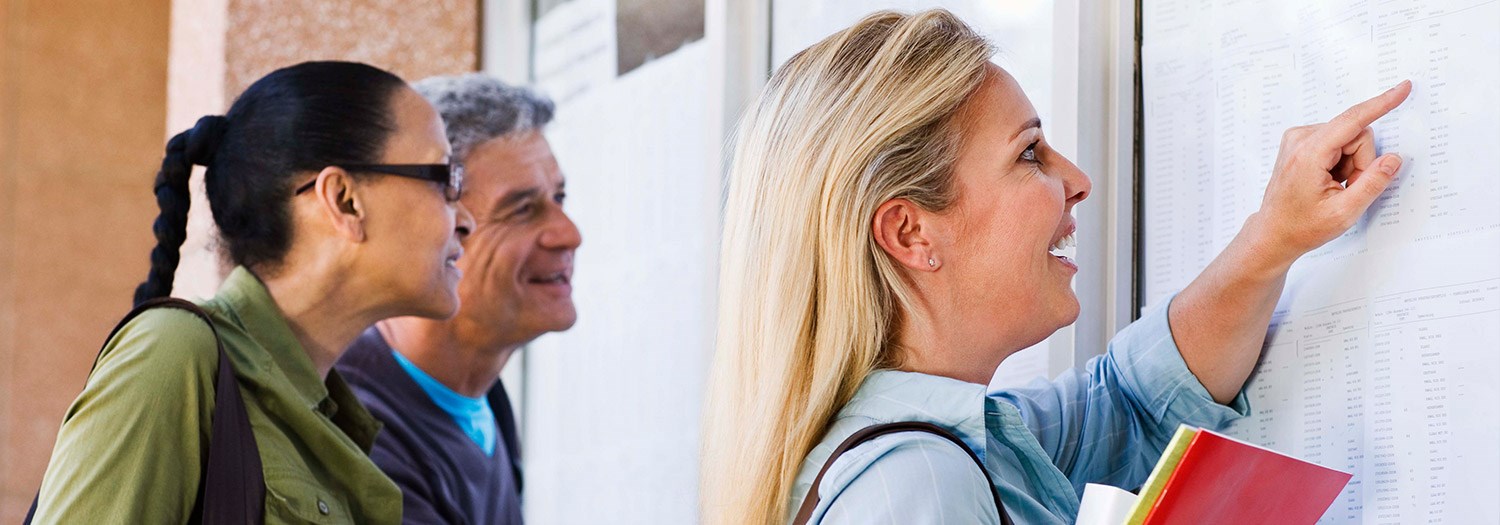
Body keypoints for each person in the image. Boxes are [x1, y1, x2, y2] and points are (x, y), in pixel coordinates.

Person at [699, 10, 1409, 525]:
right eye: (1029, 153)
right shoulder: (918, 485)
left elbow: (1133, 403)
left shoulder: (984, 442)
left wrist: (1274, 237)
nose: (1076, 178)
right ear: (910, 232)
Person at [31, 61, 475, 524]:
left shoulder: (330, 418)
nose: (466, 219)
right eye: (444, 180)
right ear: (344, 200)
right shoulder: (174, 354)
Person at [334, 73, 578, 525]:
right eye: (522, 210)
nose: (569, 234)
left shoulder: (485, 400)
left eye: (560, 198)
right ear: (428, 227)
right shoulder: (355, 431)